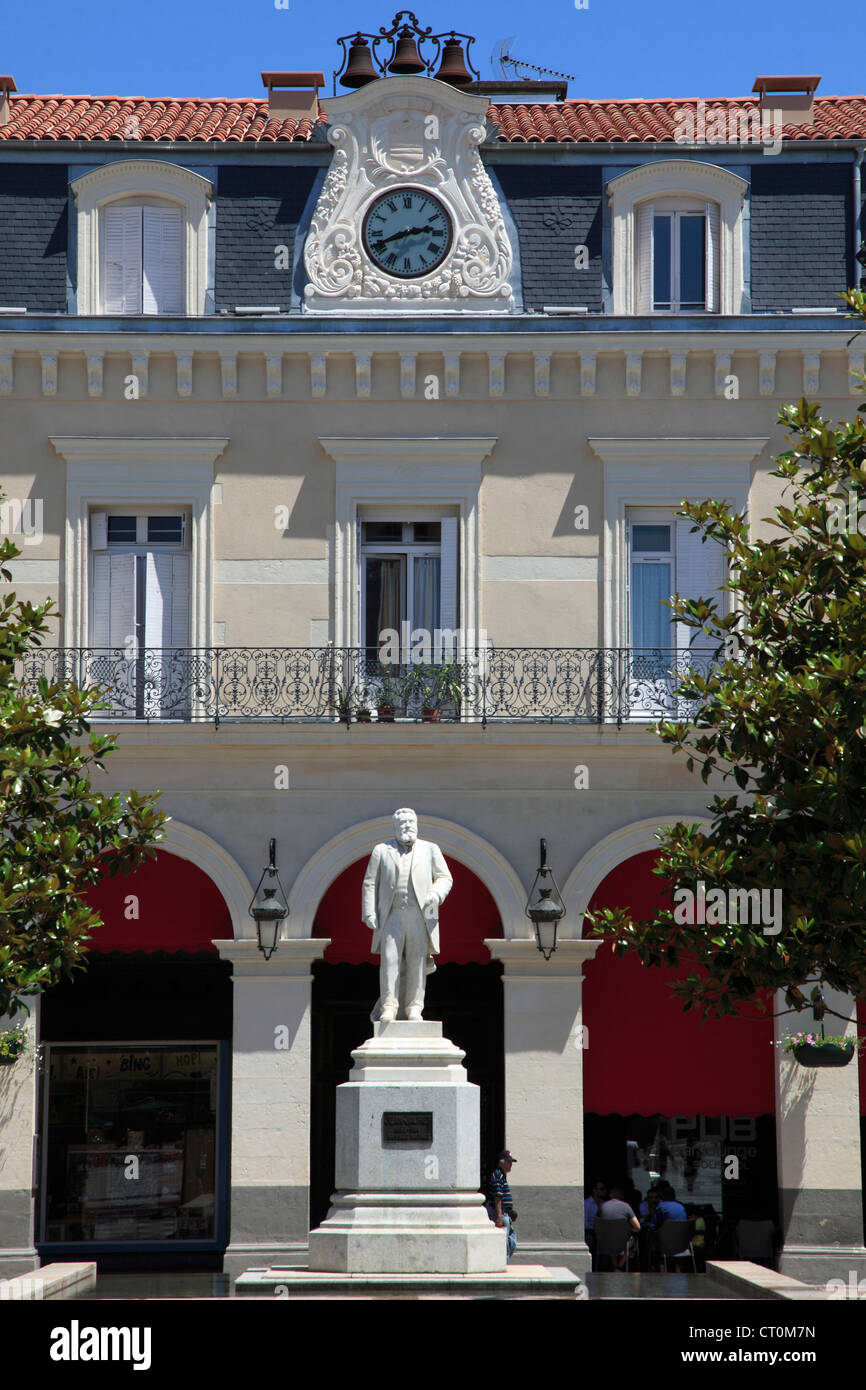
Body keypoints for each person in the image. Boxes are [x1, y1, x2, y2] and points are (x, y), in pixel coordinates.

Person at [362, 807, 452, 1022]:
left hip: (420, 914)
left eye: (411, 822)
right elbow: (370, 882)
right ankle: (389, 1006)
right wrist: (369, 911)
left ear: (417, 824)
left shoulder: (430, 849)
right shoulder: (381, 850)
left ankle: (414, 1007)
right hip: (391, 914)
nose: (407, 826)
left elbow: (444, 877)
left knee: (417, 961)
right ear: (395, 827)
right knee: (390, 960)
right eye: (403, 823)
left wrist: (436, 894)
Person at [648, 1182, 689, 1272]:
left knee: (654, 1240)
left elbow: (653, 1225)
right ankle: (678, 1268)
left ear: (662, 1196)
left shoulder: (661, 1207)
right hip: (682, 1242)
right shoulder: (681, 1206)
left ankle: (661, 1268)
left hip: (666, 1243)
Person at [485, 1150, 517, 1261]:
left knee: (510, 1240)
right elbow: (497, 1197)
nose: (511, 1164)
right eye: (509, 1162)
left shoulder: (501, 1175)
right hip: (499, 1213)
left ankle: (504, 1260)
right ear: (502, 1162)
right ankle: (503, 1262)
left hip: (504, 1213)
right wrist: (499, 1215)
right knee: (505, 1244)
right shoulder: (498, 1175)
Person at [599, 1186, 640, 1270]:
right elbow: (638, 1226)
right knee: (633, 1243)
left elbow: (597, 1223)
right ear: (622, 1197)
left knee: (611, 1240)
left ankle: (615, 1265)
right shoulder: (626, 1206)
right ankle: (620, 1266)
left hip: (606, 1241)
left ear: (610, 1195)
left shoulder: (603, 1206)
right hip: (623, 1241)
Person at [584, 1181, 608, 1268]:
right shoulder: (587, 1203)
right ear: (594, 1190)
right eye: (601, 1189)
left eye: (604, 1189)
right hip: (590, 1232)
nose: (604, 1191)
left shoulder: (604, 1204)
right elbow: (585, 1222)